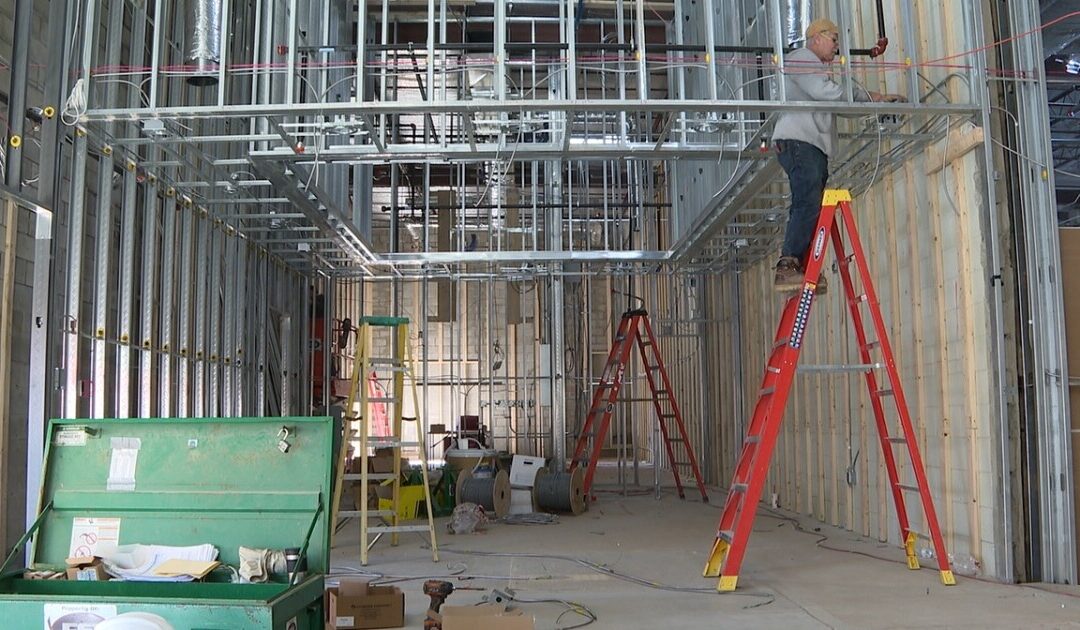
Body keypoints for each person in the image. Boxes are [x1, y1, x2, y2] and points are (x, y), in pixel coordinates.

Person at [772, 18, 905, 293]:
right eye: (834, 40)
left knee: (810, 203)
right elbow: (829, 94)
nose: (836, 47)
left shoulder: (817, 71)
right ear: (817, 38)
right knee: (808, 201)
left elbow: (838, 102)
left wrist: (874, 99)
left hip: (810, 144)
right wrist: (871, 97)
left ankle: (799, 267)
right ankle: (788, 265)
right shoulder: (802, 58)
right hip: (800, 141)